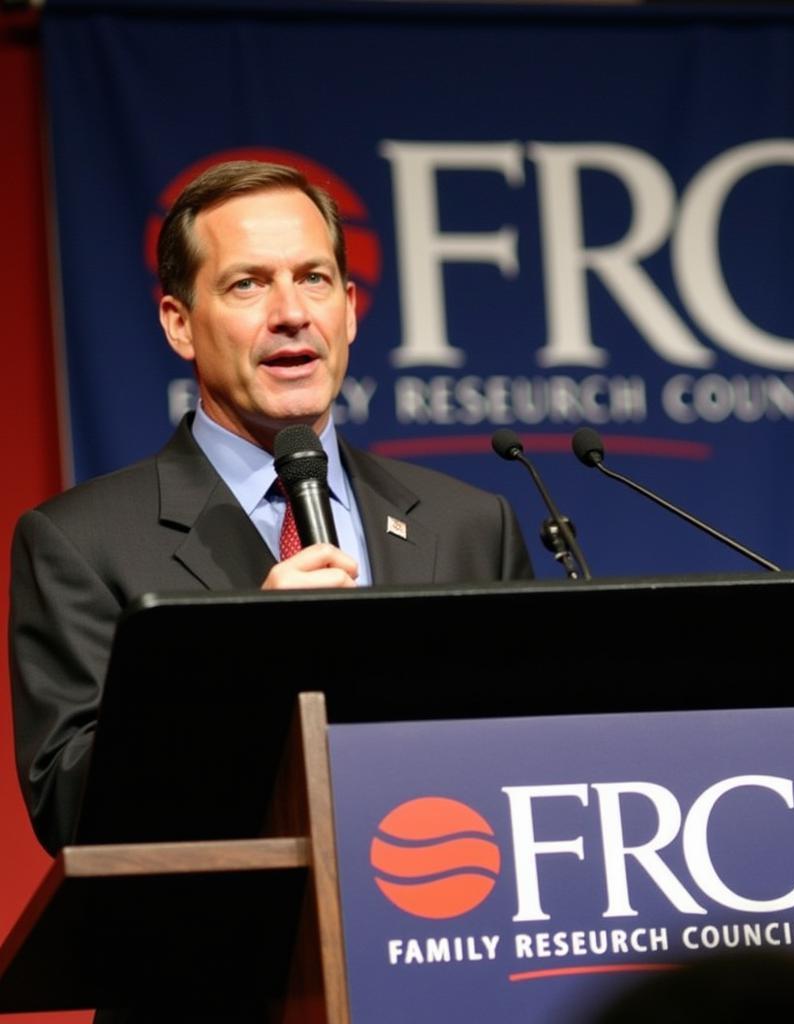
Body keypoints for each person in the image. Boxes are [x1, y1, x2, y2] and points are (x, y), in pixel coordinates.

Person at [9, 160, 533, 856]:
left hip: (453, 912)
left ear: (348, 309)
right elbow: (70, 810)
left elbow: (533, 751)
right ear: (179, 324)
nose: (291, 313)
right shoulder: (81, 543)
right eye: (247, 284)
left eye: (313, 279)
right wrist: (238, 668)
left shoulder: (469, 523)